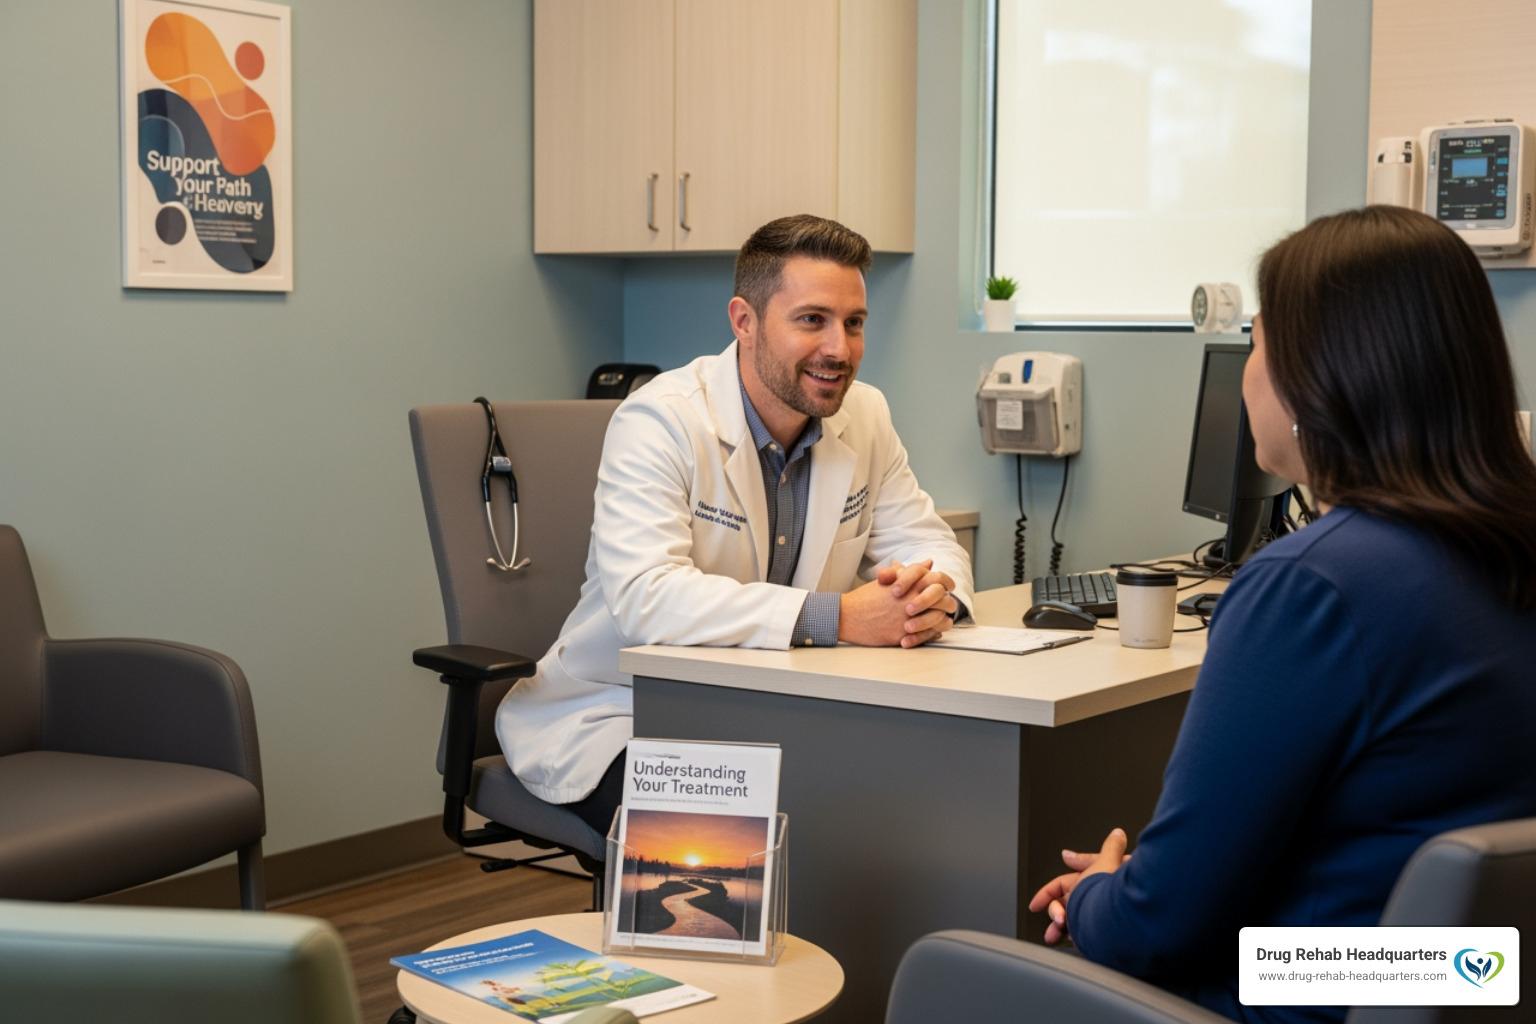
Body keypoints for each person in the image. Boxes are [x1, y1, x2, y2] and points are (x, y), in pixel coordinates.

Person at [1029, 205, 1536, 1024]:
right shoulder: (1506, 550)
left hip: (1304, 1002)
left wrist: (1098, 898)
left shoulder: (1314, 586)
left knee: (943, 962)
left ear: (1320, 377)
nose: (1247, 371)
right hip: (1471, 983)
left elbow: (1158, 929)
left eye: (1259, 343)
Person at [494, 214, 974, 835]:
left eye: (853, 323)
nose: (840, 348)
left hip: (776, 708)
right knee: (722, 838)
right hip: (623, 712)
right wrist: (841, 617)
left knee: (895, 801)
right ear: (744, 322)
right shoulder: (660, 421)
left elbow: (928, 539)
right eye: (812, 320)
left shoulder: (867, 413)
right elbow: (648, 597)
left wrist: (930, 600)